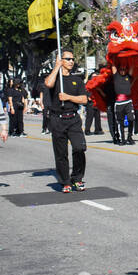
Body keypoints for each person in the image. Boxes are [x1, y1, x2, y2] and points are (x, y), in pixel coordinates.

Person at [43, 51, 88, 193]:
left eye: (72, 59)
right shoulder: (55, 79)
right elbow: (48, 84)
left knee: (79, 148)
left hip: (73, 119)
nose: (71, 61)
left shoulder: (77, 80)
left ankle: (77, 178)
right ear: (61, 60)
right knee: (61, 154)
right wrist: (56, 67)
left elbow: (84, 99)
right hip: (57, 119)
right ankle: (65, 181)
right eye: (68, 59)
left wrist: (68, 97)